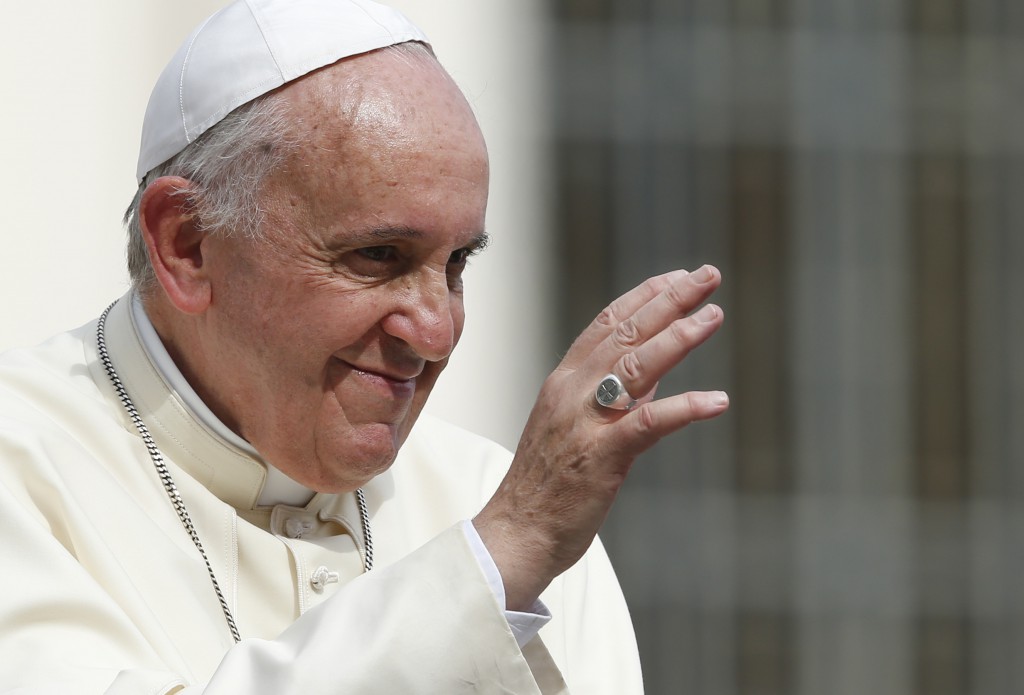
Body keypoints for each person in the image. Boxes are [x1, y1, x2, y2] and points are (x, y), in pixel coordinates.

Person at [0, 0, 728, 692]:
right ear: (187, 245)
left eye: (456, 264)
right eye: (377, 255)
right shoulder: (20, 467)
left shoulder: (485, 496)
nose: (435, 330)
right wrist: (495, 559)